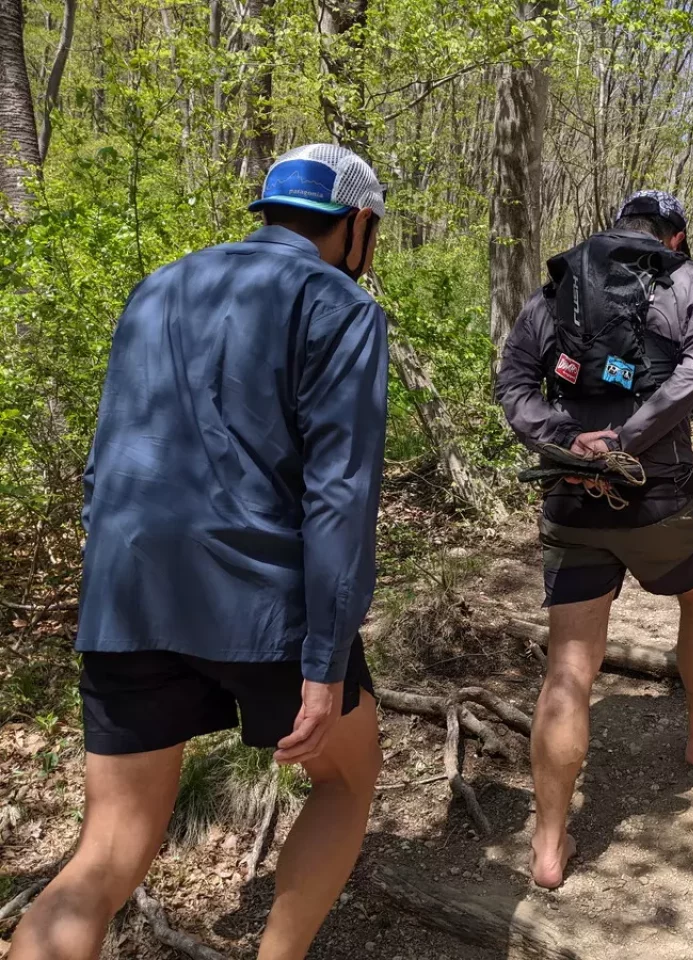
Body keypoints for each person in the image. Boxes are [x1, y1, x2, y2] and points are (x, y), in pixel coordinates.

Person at [10, 144, 389, 960]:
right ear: (357, 225)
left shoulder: (160, 286)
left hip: (127, 593)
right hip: (263, 602)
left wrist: (110, 573)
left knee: (104, 853)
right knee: (347, 780)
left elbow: (106, 457)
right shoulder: (339, 304)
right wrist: (325, 662)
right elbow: (340, 493)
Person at [496, 189, 693, 890]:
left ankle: (548, 845)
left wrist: (567, 439)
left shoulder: (560, 288)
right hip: (659, 496)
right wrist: (624, 440)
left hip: (571, 495)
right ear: (674, 237)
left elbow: (513, 380)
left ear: (620, 226)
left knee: (569, 665)